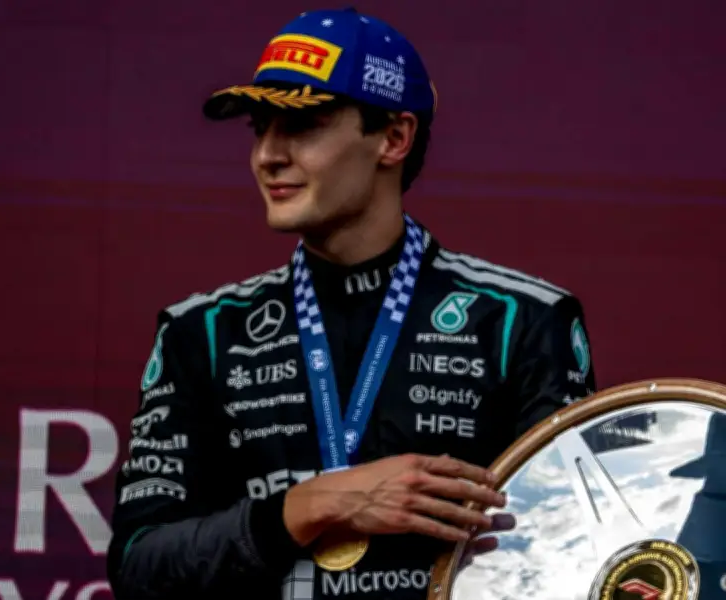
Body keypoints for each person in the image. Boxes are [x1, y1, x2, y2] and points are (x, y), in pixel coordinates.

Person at [106, 7, 598, 600]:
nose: (267, 155)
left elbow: (574, 551)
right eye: (260, 128)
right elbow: (139, 565)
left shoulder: (522, 321)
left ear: (394, 138)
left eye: (302, 125)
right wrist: (312, 505)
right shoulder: (202, 333)